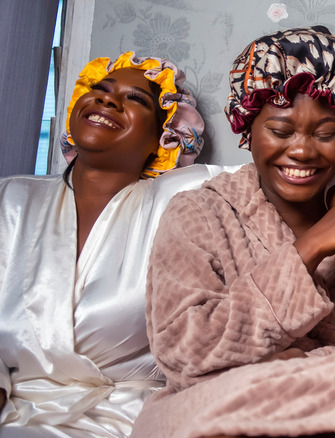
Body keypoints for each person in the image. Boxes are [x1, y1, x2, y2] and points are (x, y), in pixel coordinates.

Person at [131, 27, 335, 438]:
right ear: (247, 129)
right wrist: (312, 246)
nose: (303, 150)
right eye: (280, 130)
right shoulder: (197, 214)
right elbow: (183, 350)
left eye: (325, 134)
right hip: (226, 406)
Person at [0, 52, 218, 436]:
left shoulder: (183, 196)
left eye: (136, 99)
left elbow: (292, 172)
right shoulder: (11, 197)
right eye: (100, 89)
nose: (107, 99)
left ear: (163, 136)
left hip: (127, 422)